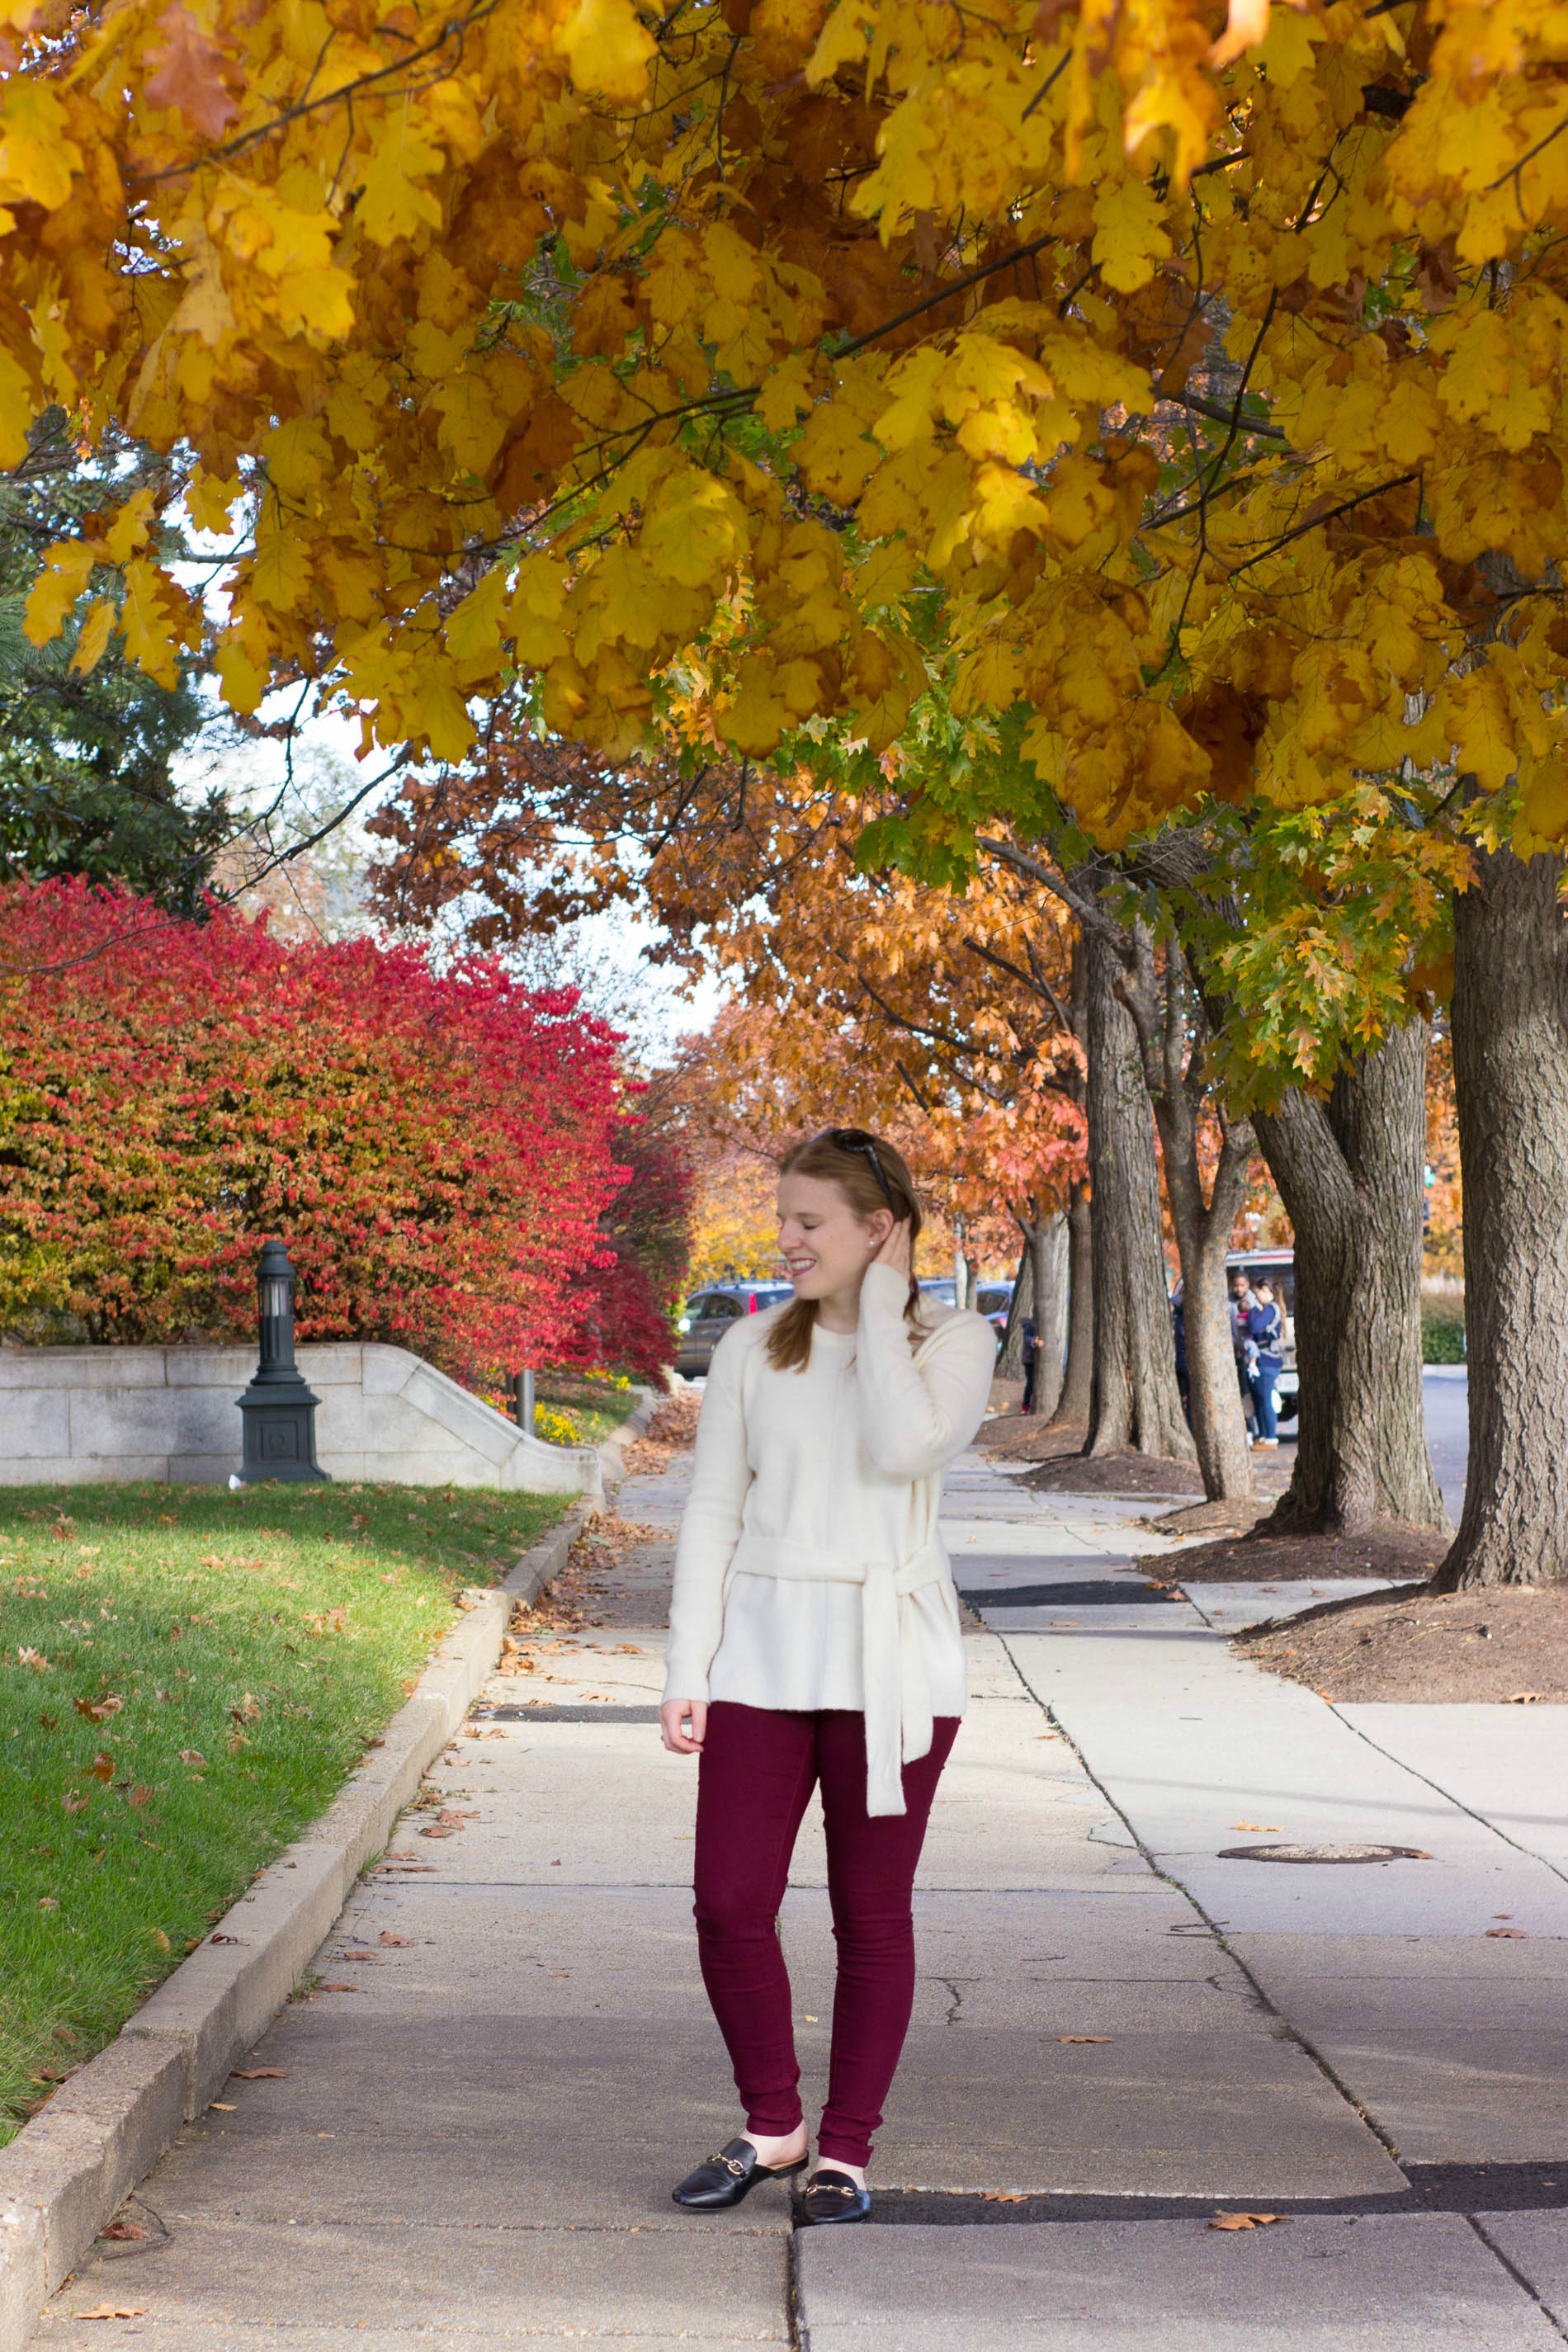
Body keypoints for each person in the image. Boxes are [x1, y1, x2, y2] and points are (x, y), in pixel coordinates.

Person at [659, 1126, 997, 2227]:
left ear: (878, 1227)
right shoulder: (753, 1349)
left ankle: (845, 2149)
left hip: (892, 1661)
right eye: (785, 1217)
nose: (787, 1238)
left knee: (871, 1912)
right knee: (728, 1901)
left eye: (811, 1220)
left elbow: (904, 1448)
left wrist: (886, 1313)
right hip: (763, 1652)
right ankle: (772, 2125)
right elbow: (713, 1507)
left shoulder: (954, 1341)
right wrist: (688, 1666)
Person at [1245, 1279, 1284, 1449]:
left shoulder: (1270, 1309)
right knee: (1260, 1399)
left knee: (1266, 1399)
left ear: (1265, 1291)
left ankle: (1270, 1437)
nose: (1256, 1297)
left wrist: (1253, 1309)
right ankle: (1262, 1436)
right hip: (1261, 1360)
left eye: (1257, 1293)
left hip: (1268, 1360)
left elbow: (1253, 1326)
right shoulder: (1268, 1309)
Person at [1229, 1268, 1259, 1442]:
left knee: (1251, 1394)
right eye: (1235, 1285)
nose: (1238, 1289)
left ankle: (1255, 1429)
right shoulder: (1227, 1302)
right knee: (1240, 1392)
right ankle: (1246, 1428)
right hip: (1234, 1351)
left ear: (1247, 1285)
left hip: (1250, 1353)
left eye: (1242, 1285)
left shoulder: (1254, 1302)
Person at [1019, 1312, 1038, 1414]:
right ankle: (1025, 1406)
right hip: (1029, 1361)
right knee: (1031, 1383)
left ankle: (1032, 1404)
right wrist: (1034, 1341)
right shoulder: (1030, 1326)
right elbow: (1027, 1340)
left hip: (1037, 1361)